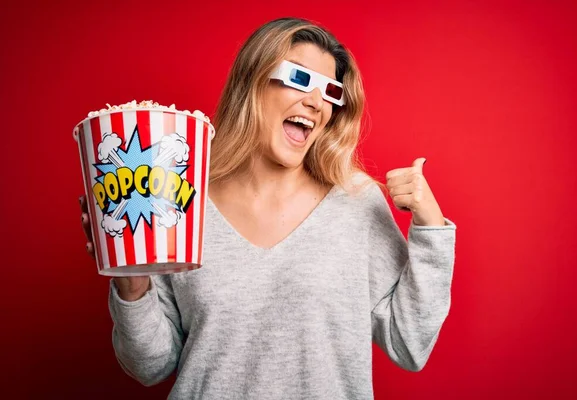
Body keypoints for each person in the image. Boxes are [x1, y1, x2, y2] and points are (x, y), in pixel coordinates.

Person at [80, 17, 456, 400]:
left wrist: (431, 230)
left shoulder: (355, 203)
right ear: (253, 81)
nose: (316, 101)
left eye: (330, 91)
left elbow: (408, 343)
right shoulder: (181, 202)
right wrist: (131, 282)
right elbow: (151, 366)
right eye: (299, 78)